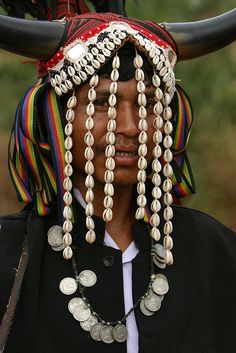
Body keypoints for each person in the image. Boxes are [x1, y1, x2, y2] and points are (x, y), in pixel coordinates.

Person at [0, 2, 236, 353]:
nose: (128, 126)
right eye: (100, 103)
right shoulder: (9, 255)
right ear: (57, 118)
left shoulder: (216, 252)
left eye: (148, 105)